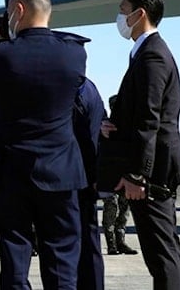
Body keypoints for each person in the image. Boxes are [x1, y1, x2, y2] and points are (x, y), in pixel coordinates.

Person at [0, 0, 87, 289]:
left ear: (18, 10)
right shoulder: (74, 54)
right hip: (61, 173)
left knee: (15, 258)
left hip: (12, 173)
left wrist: (4, 44)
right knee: (61, 259)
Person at [102, 0, 180, 289]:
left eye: (123, 9)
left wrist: (138, 175)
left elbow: (149, 121)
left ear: (139, 14)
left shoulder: (152, 57)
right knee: (164, 252)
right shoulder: (146, 54)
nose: (119, 15)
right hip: (154, 170)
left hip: (152, 176)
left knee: (162, 255)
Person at [72, 76, 106, 290]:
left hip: (74, 178)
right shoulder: (90, 88)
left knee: (74, 244)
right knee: (89, 242)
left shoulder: (74, 91)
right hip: (88, 176)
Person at [100, 96, 137, 257]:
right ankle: (111, 244)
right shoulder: (105, 127)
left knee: (123, 211)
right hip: (110, 177)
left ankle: (120, 242)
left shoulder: (128, 127)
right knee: (111, 209)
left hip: (125, 175)